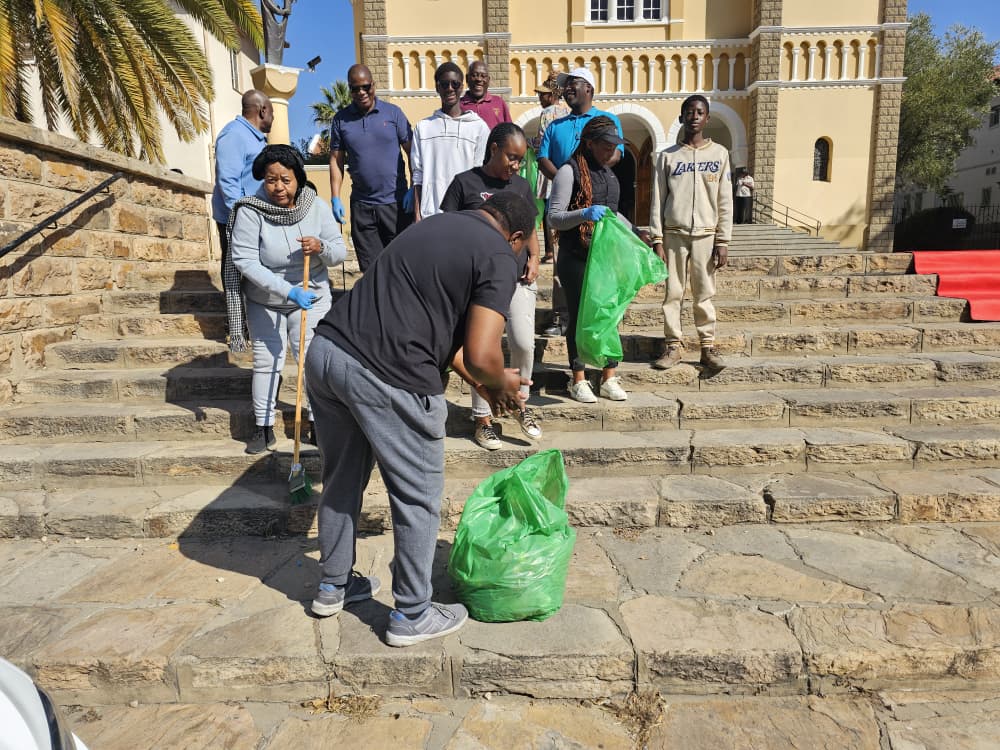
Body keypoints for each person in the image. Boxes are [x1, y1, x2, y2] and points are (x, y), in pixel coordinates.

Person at [304, 192, 536, 647]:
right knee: (418, 495)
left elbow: (448, 344)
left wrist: (485, 385)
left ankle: (333, 585)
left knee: (341, 478)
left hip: (328, 353)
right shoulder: (497, 254)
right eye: (524, 248)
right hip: (390, 372)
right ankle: (412, 613)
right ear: (516, 237)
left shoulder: (434, 225)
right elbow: (483, 352)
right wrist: (504, 382)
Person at [226, 145, 346, 454]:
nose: (278, 187)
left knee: (311, 359)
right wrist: (287, 290)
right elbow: (244, 260)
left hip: (312, 295)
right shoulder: (250, 210)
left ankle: (318, 423)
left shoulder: (315, 206)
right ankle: (263, 427)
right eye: (271, 180)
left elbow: (339, 252)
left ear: (298, 178)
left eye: (285, 179)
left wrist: (320, 247)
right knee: (267, 359)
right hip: (266, 298)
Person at [441, 123, 543, 450]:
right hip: (479, 281)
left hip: (516, 277)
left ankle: (519, 404)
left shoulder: (522, 186)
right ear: (494, 148)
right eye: (511, 157)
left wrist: (535, 257)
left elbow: (530, 226)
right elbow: (449, 227)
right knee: (483, 347)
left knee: (524, 342)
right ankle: (483, 420)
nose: (516, 165)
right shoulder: (464, 183)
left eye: (520, 159)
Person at [548, 116, 630, 404]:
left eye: (614, 146)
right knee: (580, 316)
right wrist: (583, 213)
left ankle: (609, 377)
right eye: (606, 146)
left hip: (605, 257)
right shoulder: (568, 172)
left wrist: (634, 231)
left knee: (609, 314)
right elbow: (554, 217)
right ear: (590, 143)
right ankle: (579, 378)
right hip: (577, 257)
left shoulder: (608, 173)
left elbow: (611, 213)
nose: (611, 151)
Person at [537, 67, 624, 338]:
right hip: (566, 211)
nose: (567, 89)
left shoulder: (606, 121)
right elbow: (542, 158)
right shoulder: (555, 125)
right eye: (566, 85)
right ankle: (561, 316)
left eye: (573, 83)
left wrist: (591, 179)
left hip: (598, 208)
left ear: (589, 88)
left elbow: (616, 154)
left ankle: (597, 328)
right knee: (564, 266)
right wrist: (569, 182)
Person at [649, 94, 733, 373]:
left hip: (706, 236)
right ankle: (673, 345)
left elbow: (725, 200)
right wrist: (657, 238)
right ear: (681, 116)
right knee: (673, 293)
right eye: (689, 112)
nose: (694, 116)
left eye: (700, 112)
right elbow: (658, 198)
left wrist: (723, 240)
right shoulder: (668, 157)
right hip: (674, 234)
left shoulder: (719, 154)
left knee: (704, 293)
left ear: (707, 118)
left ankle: (707, 347)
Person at [329, 64, 413, 272]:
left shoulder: (393, 113)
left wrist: (414, 187)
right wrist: (335, 196)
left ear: (373, 85)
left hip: (395, 203)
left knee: (400, 267)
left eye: (366, 87)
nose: (361, 92)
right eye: (355, 88)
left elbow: (412, 152)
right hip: (362, 206)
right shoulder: (341, 120)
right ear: (350, 89)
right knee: (371, 271)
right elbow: (336, 160)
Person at [411, 62, 491, 222]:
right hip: (431, 215)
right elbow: (418, 176)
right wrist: (417, 214)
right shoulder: (423, 128)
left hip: (466, 215)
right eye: (444, 84)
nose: (449, 89)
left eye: (455, 84)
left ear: (462, 86)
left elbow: (480, 176)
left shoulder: (479, 127)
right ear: (437, 87)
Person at [211, 90, 273, 277]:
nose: (273, 119)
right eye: (272, 113)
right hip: (237, 218)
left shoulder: (255, 138)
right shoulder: (235, 135)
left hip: (252, 216)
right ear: (263, 110)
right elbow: (228, 181)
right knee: (236, 271)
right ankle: (234, 299)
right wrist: (241, 216)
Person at [532, 73, 570, 265]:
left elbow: (541, 142)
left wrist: (530, 144)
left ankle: (549, 250)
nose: (540, 98)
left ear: (552, 95)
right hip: (566, 167)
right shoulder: (568, 111)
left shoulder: (547, 114)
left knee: (549, 209)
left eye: (543, 94)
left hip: (549, 166)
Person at [460, 60, 512, 130]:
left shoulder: (499, 102)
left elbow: (510, 132)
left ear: (488, 80)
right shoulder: (458, 106)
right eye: (474, 75)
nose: (479, 79)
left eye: (483, 76)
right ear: (467, 78)